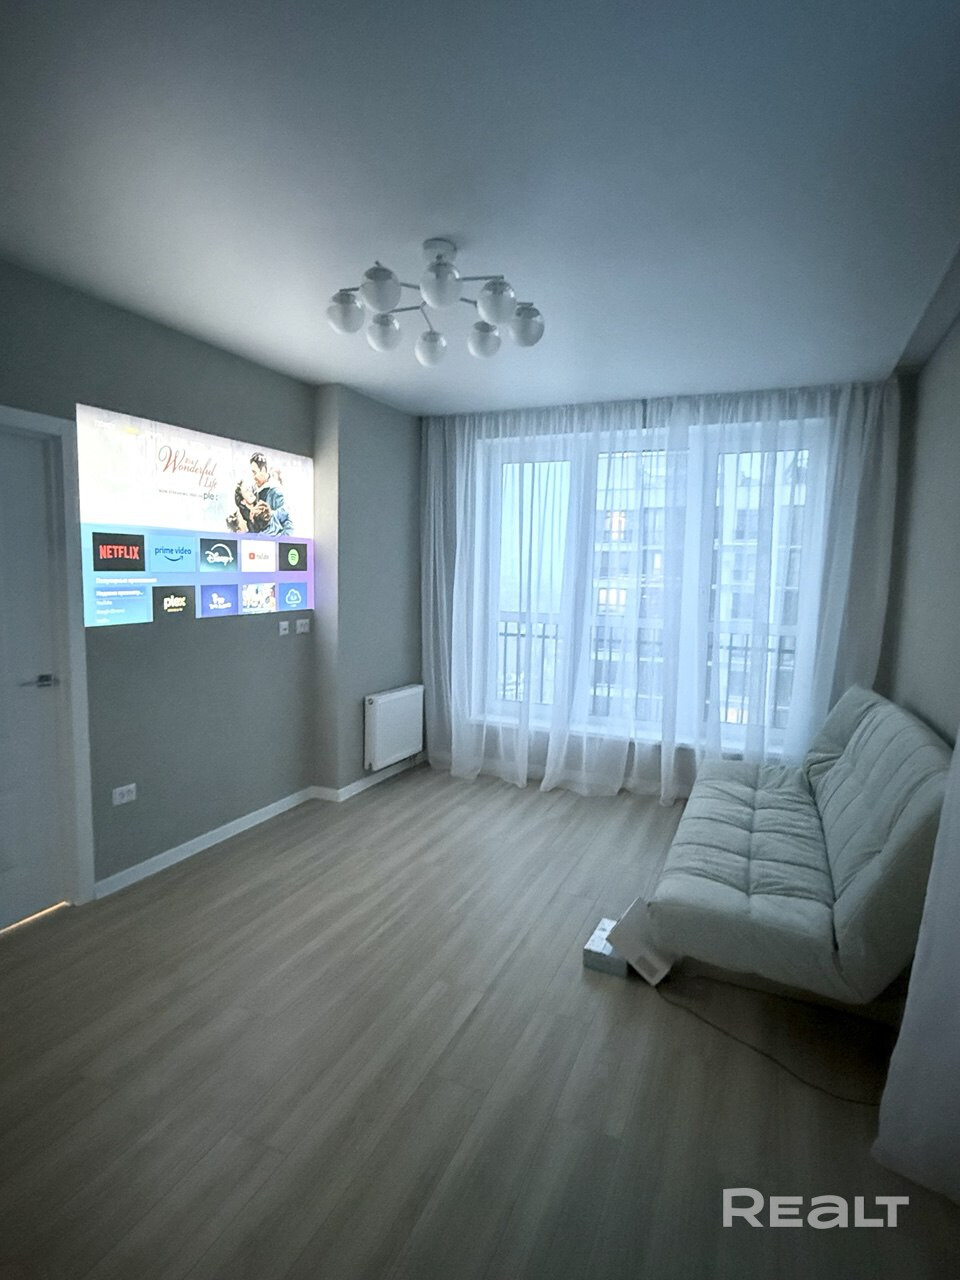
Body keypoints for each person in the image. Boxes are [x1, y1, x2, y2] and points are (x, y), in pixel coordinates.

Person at [249, 451, 293, 535]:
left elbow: (288, 523)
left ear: (263, 470)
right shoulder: (252, 491)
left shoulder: (276, 491)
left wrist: (279, 541)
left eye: (254, 472)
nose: (253, 477)